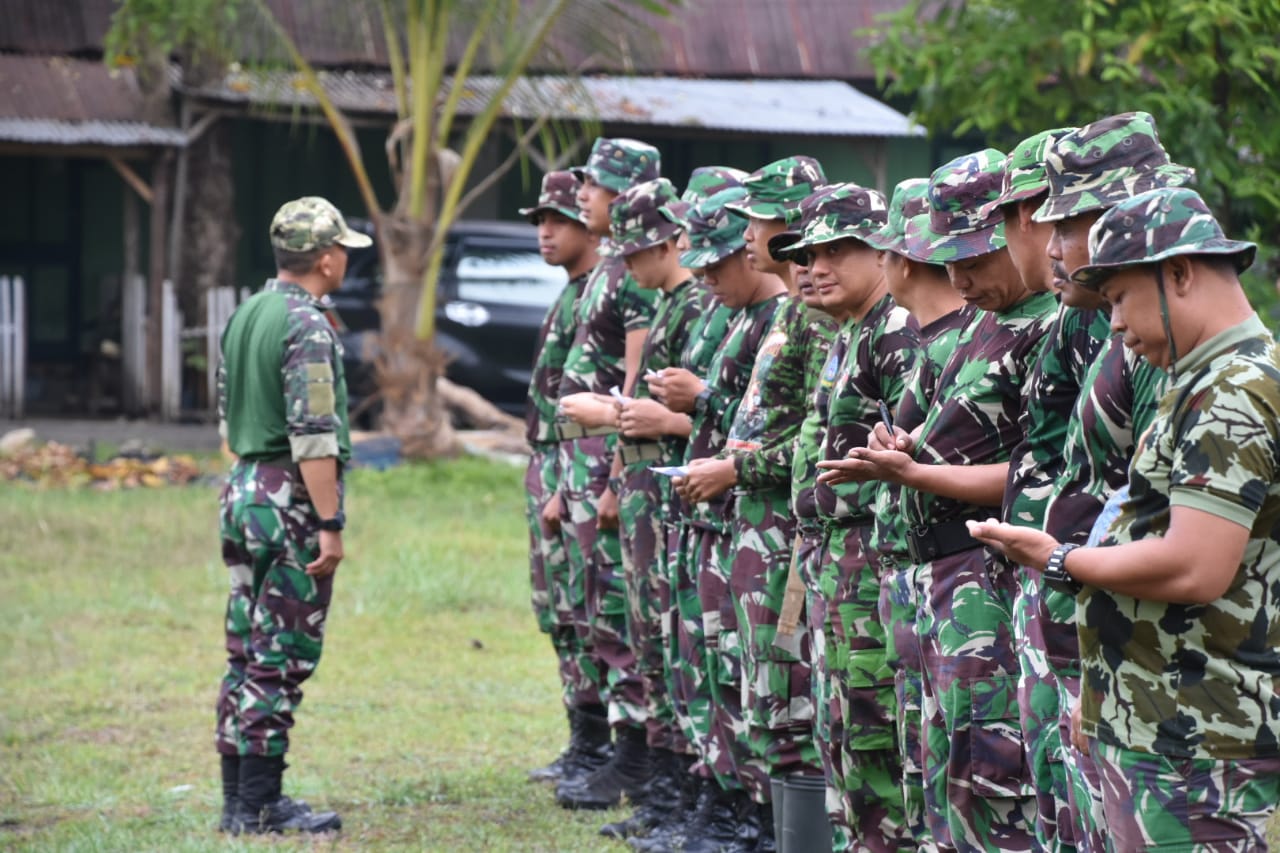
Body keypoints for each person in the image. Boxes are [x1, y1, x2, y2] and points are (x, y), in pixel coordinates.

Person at [970, 186, 1280, 851]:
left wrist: (1058, 558)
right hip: (1165, 729)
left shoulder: (1234, 391)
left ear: (1179, 273)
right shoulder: (1198, 382)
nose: (1111, 324)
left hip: (1204, 747)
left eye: (1117, 298)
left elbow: (1195, 565)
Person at [819, 150, 1056, 851]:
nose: (959, 278)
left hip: (985, 572)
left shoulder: (1048, 326)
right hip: (930, 577)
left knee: (990, 772)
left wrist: (916, 475)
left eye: (975, 259)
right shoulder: (984, 322)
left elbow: (1035, 469)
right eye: (945, 260)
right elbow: (962, 432)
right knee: (935, 765)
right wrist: (910, 446)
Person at [1027, 111, 1193, 851]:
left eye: (1066, 223)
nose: (1052, 246)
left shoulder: (1167, 342)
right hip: (1095, 641)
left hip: (1161, 672)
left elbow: (1163, 520)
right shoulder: (1102, 331)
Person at [213, 196, 367, 835]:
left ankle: (236, 801)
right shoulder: (306, 323)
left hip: (244, 486)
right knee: (280, 652)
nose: (346, 265)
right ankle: (260, 805)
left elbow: (225, 413)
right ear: (326, 259)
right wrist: (329, 523)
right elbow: (313, 432)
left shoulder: (248, 312)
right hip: (288, 499)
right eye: (345, 255)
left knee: (246, 647)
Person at [860, 177, 972, 850]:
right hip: (913, 573)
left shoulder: (953, 339)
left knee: (962, 775)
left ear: (899, 261)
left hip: (959, 576)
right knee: (918, 757)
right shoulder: (938, 339)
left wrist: (907, 465)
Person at [553, 137, 662, 810]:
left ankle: (635, 755)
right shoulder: (605, 267)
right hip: (581, 457)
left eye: (594, 185)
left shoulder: (630, 271)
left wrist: (618, 475)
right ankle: (614, 745)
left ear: (624, 194)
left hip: (612, 456)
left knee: (622, 608)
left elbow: (635, 377)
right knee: (594, 603)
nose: (582, 194)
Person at [599, 176, 703, 839]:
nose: (631, 265)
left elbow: (699, 414)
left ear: (675, 240)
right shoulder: (666, 302)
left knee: (674, 642)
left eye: (641, 251)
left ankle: (677, 792)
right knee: (649, 640)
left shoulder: (695, 304)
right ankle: (663, 792)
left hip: (672, 491)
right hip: (644, 488)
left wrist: (643, 417)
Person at [517, 171, 607, 786]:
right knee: (558, 610)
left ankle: (602, 743)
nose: (546, 232)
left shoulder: (597, 293)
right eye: (539, 222)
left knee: (587, 607)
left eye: (558, 220)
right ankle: (583, 738)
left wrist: (563, 485)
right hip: (552, 463)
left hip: (576, 468)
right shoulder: (571, 293)